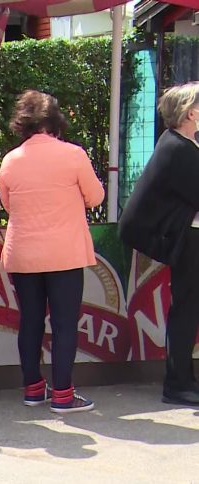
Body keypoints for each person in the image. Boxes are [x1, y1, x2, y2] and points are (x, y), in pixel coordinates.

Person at [0, 90, 104, 414]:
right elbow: (96, 196)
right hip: (64, 254)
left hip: (24, 254)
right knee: (63, 325)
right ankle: (63, 395)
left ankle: (33, 389)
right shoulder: (73, 155)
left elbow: (7, 204)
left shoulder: (11, 159)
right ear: (55, 121)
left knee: (30, 321)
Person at [119, 82, 199, 407]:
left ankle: (183, 380)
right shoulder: (180, 150)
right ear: (191, 113)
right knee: (186, 310)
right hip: (189, 240)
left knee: (187, 309)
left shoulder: (178, 144)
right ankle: (178, 383)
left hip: (188, 239)